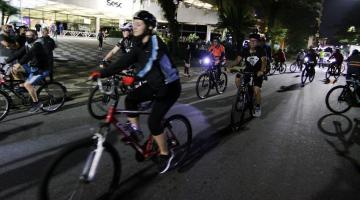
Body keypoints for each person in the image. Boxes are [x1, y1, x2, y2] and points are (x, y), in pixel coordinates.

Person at [89, 10, 181, 174]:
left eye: (139, 24)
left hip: (169, 87)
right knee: (131, 99)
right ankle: (136, 130)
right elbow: (124, 61)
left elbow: (150, 65)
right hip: (154, 85)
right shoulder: (138, 44)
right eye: (134, 24)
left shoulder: (156, 42)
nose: (134, 27)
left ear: (150, 27)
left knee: (154, 122)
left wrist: (134, 78)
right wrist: (102, 73)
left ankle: (166, 154)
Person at [5, 30, 49, 113]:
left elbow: (29, 55)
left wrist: (19, 63)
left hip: (42, 69)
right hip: (33, 67)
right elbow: (18, 53)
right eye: (26, 36)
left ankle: (37, 103)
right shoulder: (27, 44)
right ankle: (26, 89)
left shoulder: (38, 44)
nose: (27, 37)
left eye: (30, 36)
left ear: (35, 36)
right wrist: (6, 61)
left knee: (27, 84)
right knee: (13, 70)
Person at [232, 33, 267, 117]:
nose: (253, 42)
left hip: (257, 72)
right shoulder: (245, 50)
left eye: (255, 41)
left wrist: (261, 71)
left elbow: (264, 61)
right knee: (237, 79)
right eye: (251, 41)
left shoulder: (261, 50)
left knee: (256, 90)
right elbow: (237, 61)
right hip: (247, 70)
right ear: (249, 42)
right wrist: (229, 66)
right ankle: (241, 94)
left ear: (258, 42)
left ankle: (258, 107)